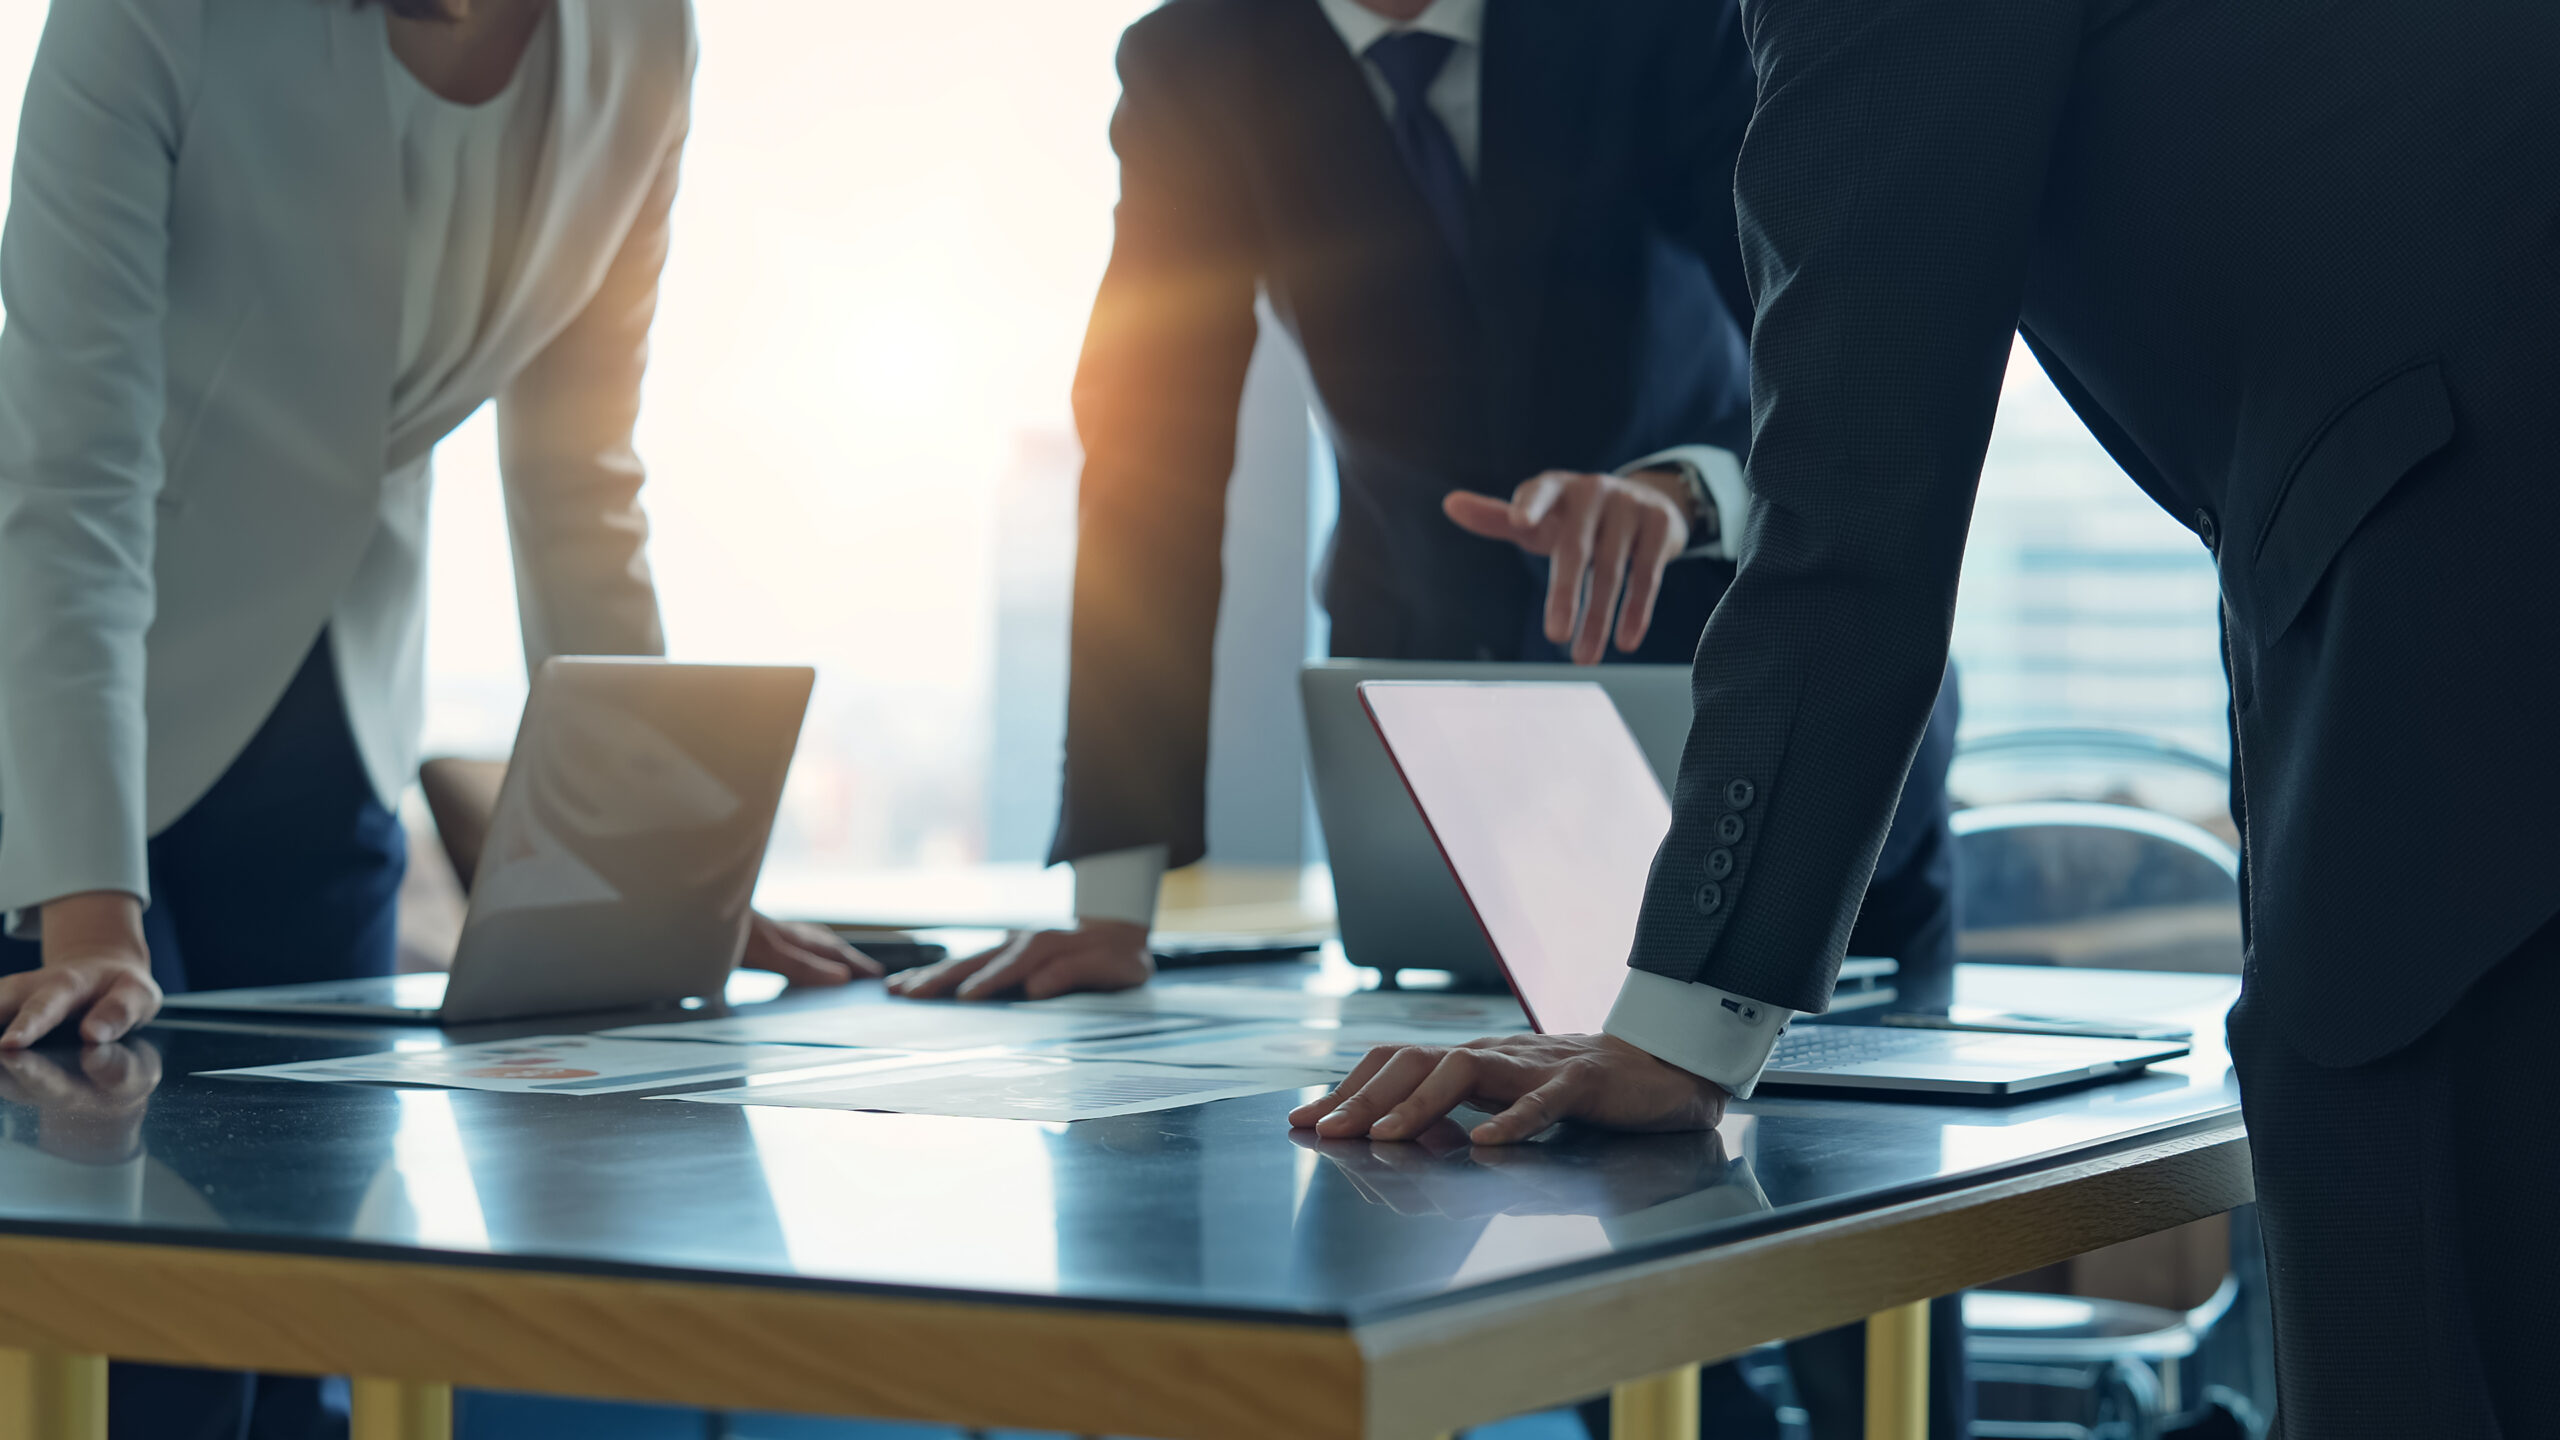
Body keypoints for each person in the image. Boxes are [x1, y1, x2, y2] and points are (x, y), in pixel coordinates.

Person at [1289, 0, 2560, 1433]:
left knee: (2414, 1263)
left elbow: (1855, 475)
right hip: (2446, 558)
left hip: (2473, 600)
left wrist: (1674, 1029)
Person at [894, 1, 1966, 1433]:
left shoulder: (1657, 24)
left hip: (1764, 696)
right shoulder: (1205, 56)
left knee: (1862, 1285)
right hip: (1458, 753)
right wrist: (1114, 894)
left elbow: (1844, 354)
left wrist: (1687, 490)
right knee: (1580, 1265)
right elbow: (1150, 449)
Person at [0, 0, 865, 1432]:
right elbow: (71, 482)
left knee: (311, 1333)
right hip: (60, 758)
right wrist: (84, 917)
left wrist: (664, 879)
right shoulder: (151, 17)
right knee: (157, 1363)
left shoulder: (643, 42)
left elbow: (579, 478)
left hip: (333, 729)